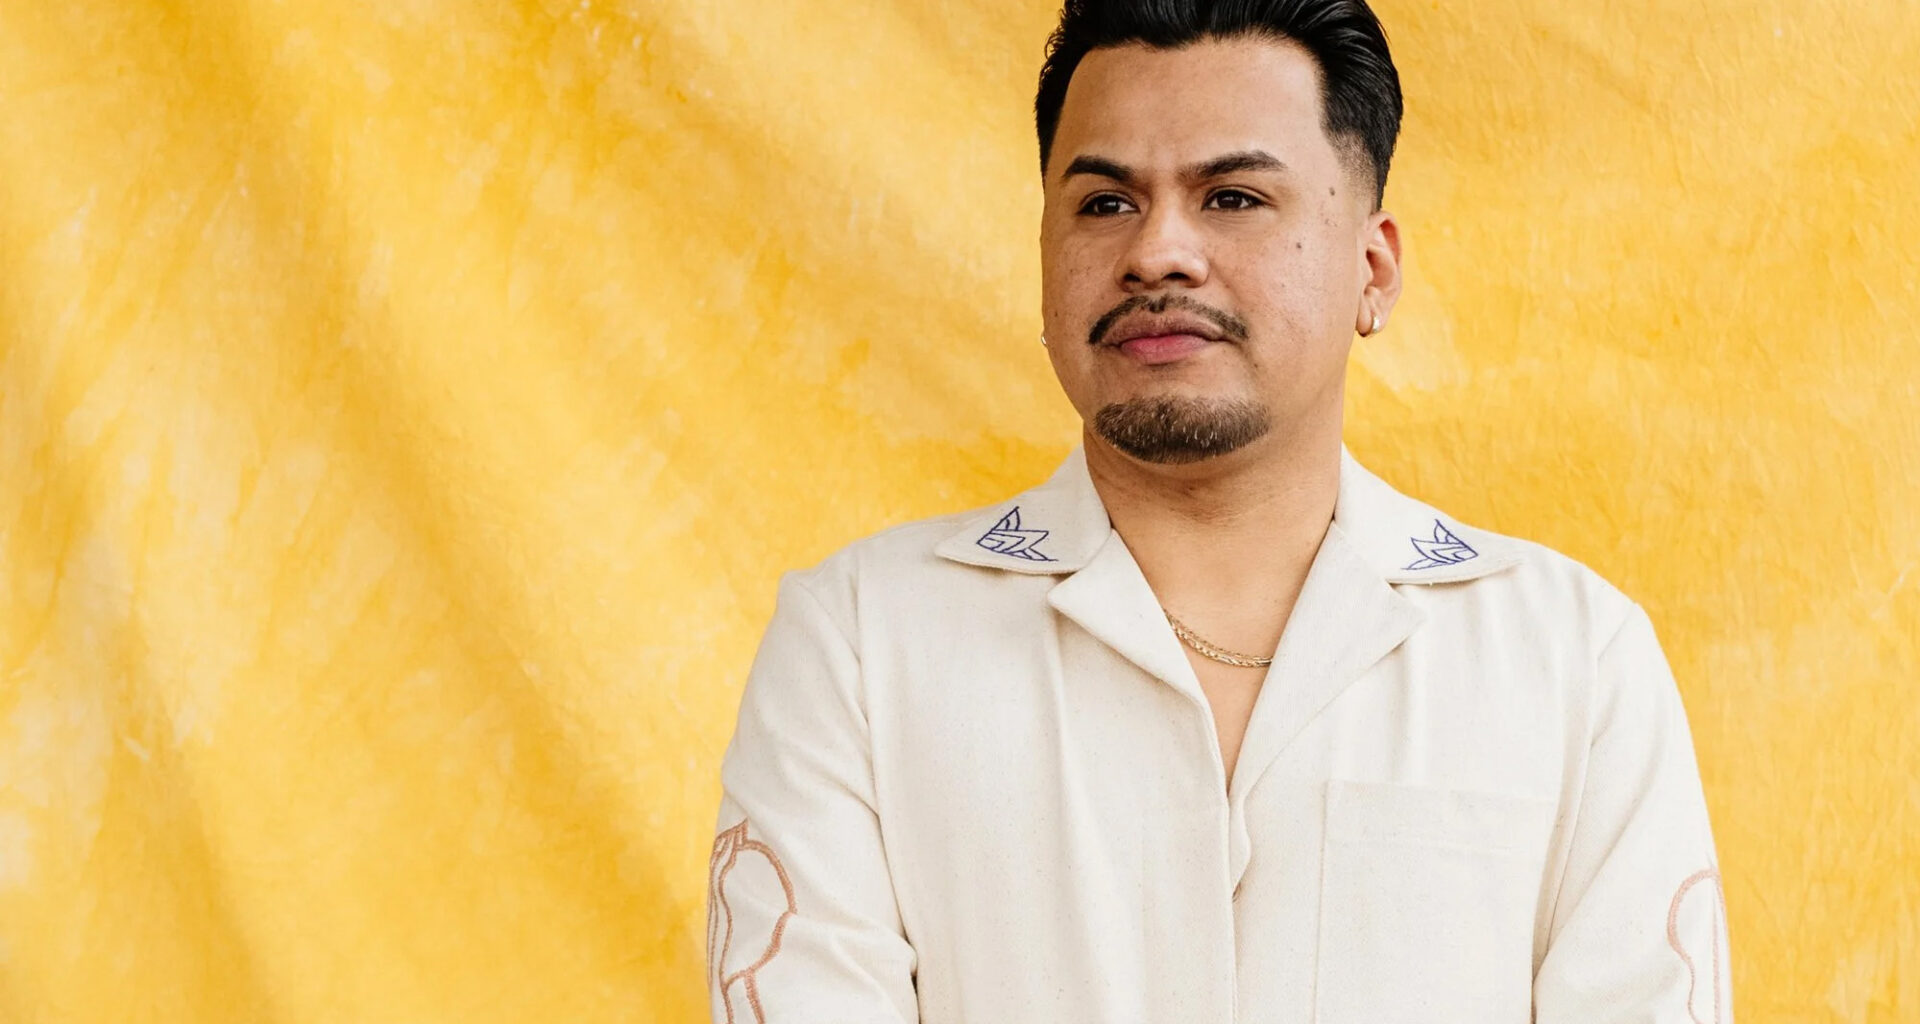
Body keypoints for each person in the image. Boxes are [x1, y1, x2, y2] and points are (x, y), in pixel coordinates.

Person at [705, 1, 1734, 1021]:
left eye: (1233, 196)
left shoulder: (1569, 659)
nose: (1158, 252)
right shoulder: (860, 644)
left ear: (1371, 271)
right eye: (1104, 203)